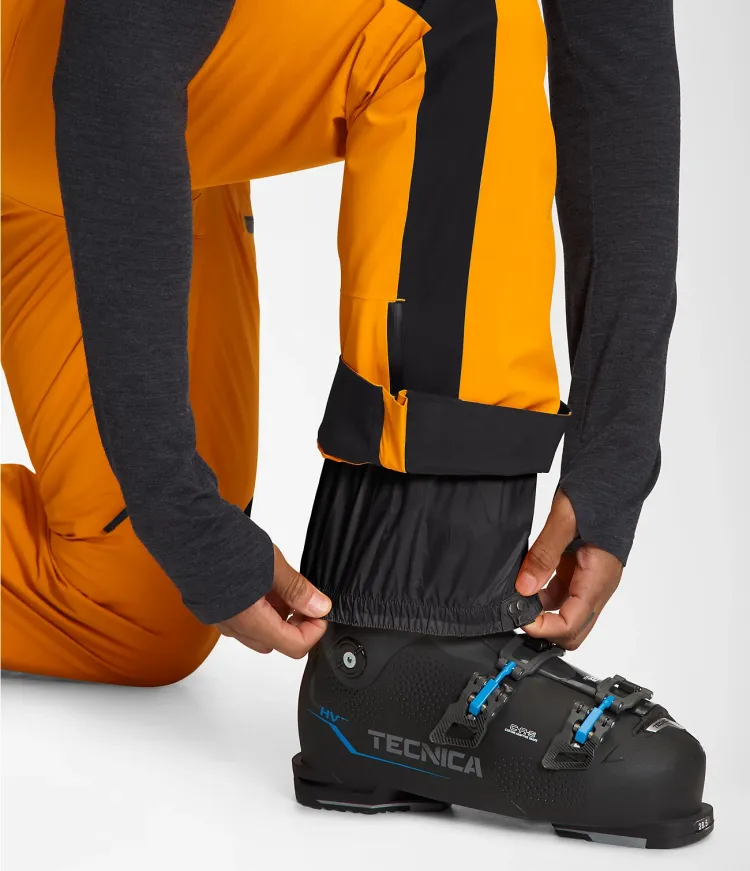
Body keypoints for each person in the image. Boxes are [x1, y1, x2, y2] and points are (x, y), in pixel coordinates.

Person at [1, 0, 713, 848]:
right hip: (76, 56)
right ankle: (413, 648)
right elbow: (117, 46)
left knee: (131, 601)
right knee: (449, 20)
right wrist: (171, 498)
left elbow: (616, 52)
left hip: (120, 101)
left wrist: (615, 449)